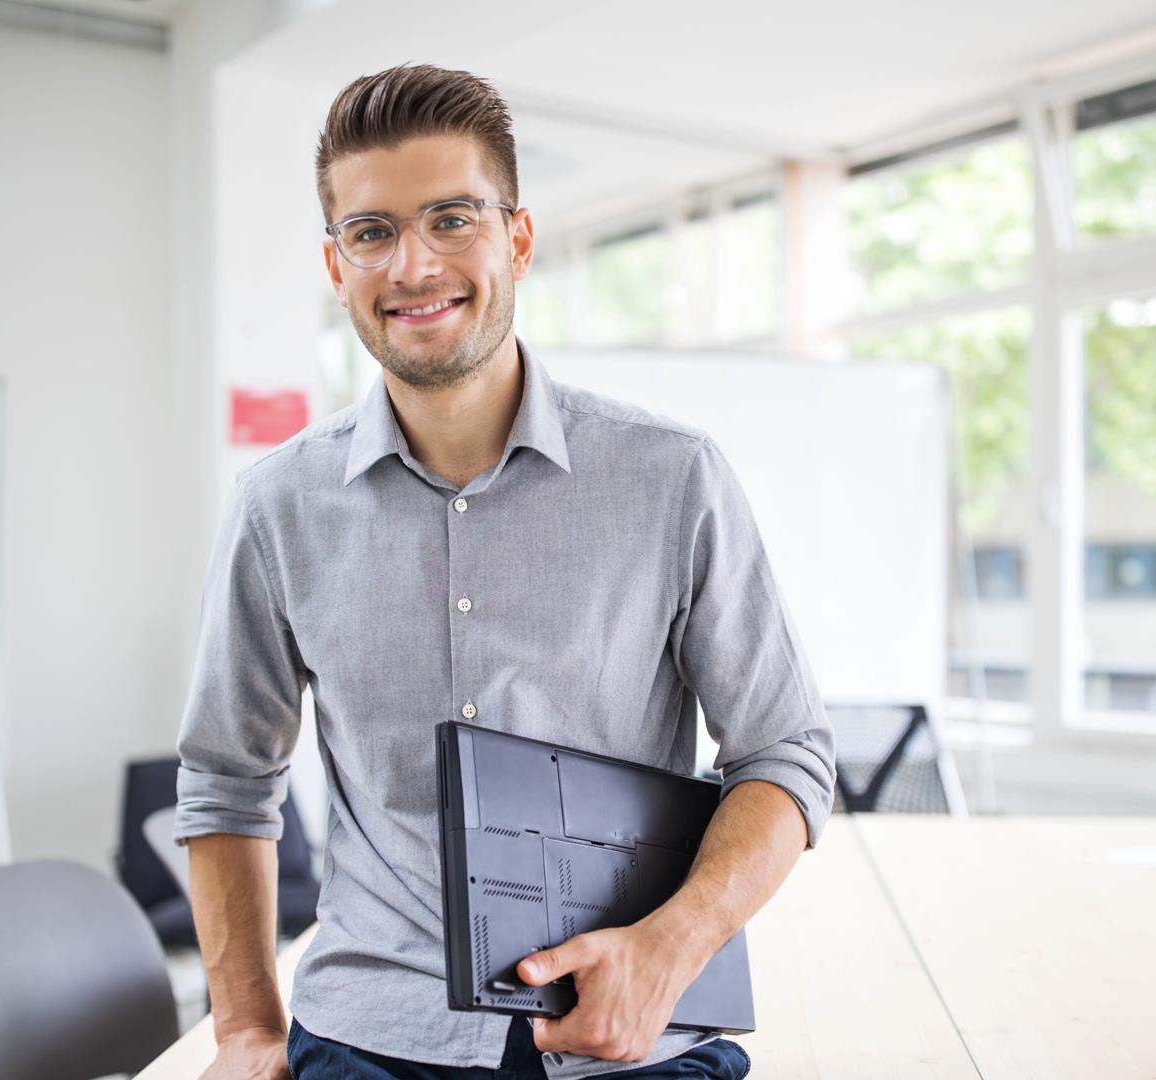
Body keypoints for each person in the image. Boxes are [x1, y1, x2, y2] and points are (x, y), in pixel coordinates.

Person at [174, 64, 835, 1080]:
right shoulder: (278, 508)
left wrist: (669, 950)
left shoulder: (673, 478)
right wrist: (247, 1029)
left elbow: (786, 751)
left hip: (632, 1041)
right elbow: (227, 780)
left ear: (516, 239)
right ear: (336, 261)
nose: (412, 264)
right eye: (372, 232)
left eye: (451, 218)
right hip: (370, 1038)